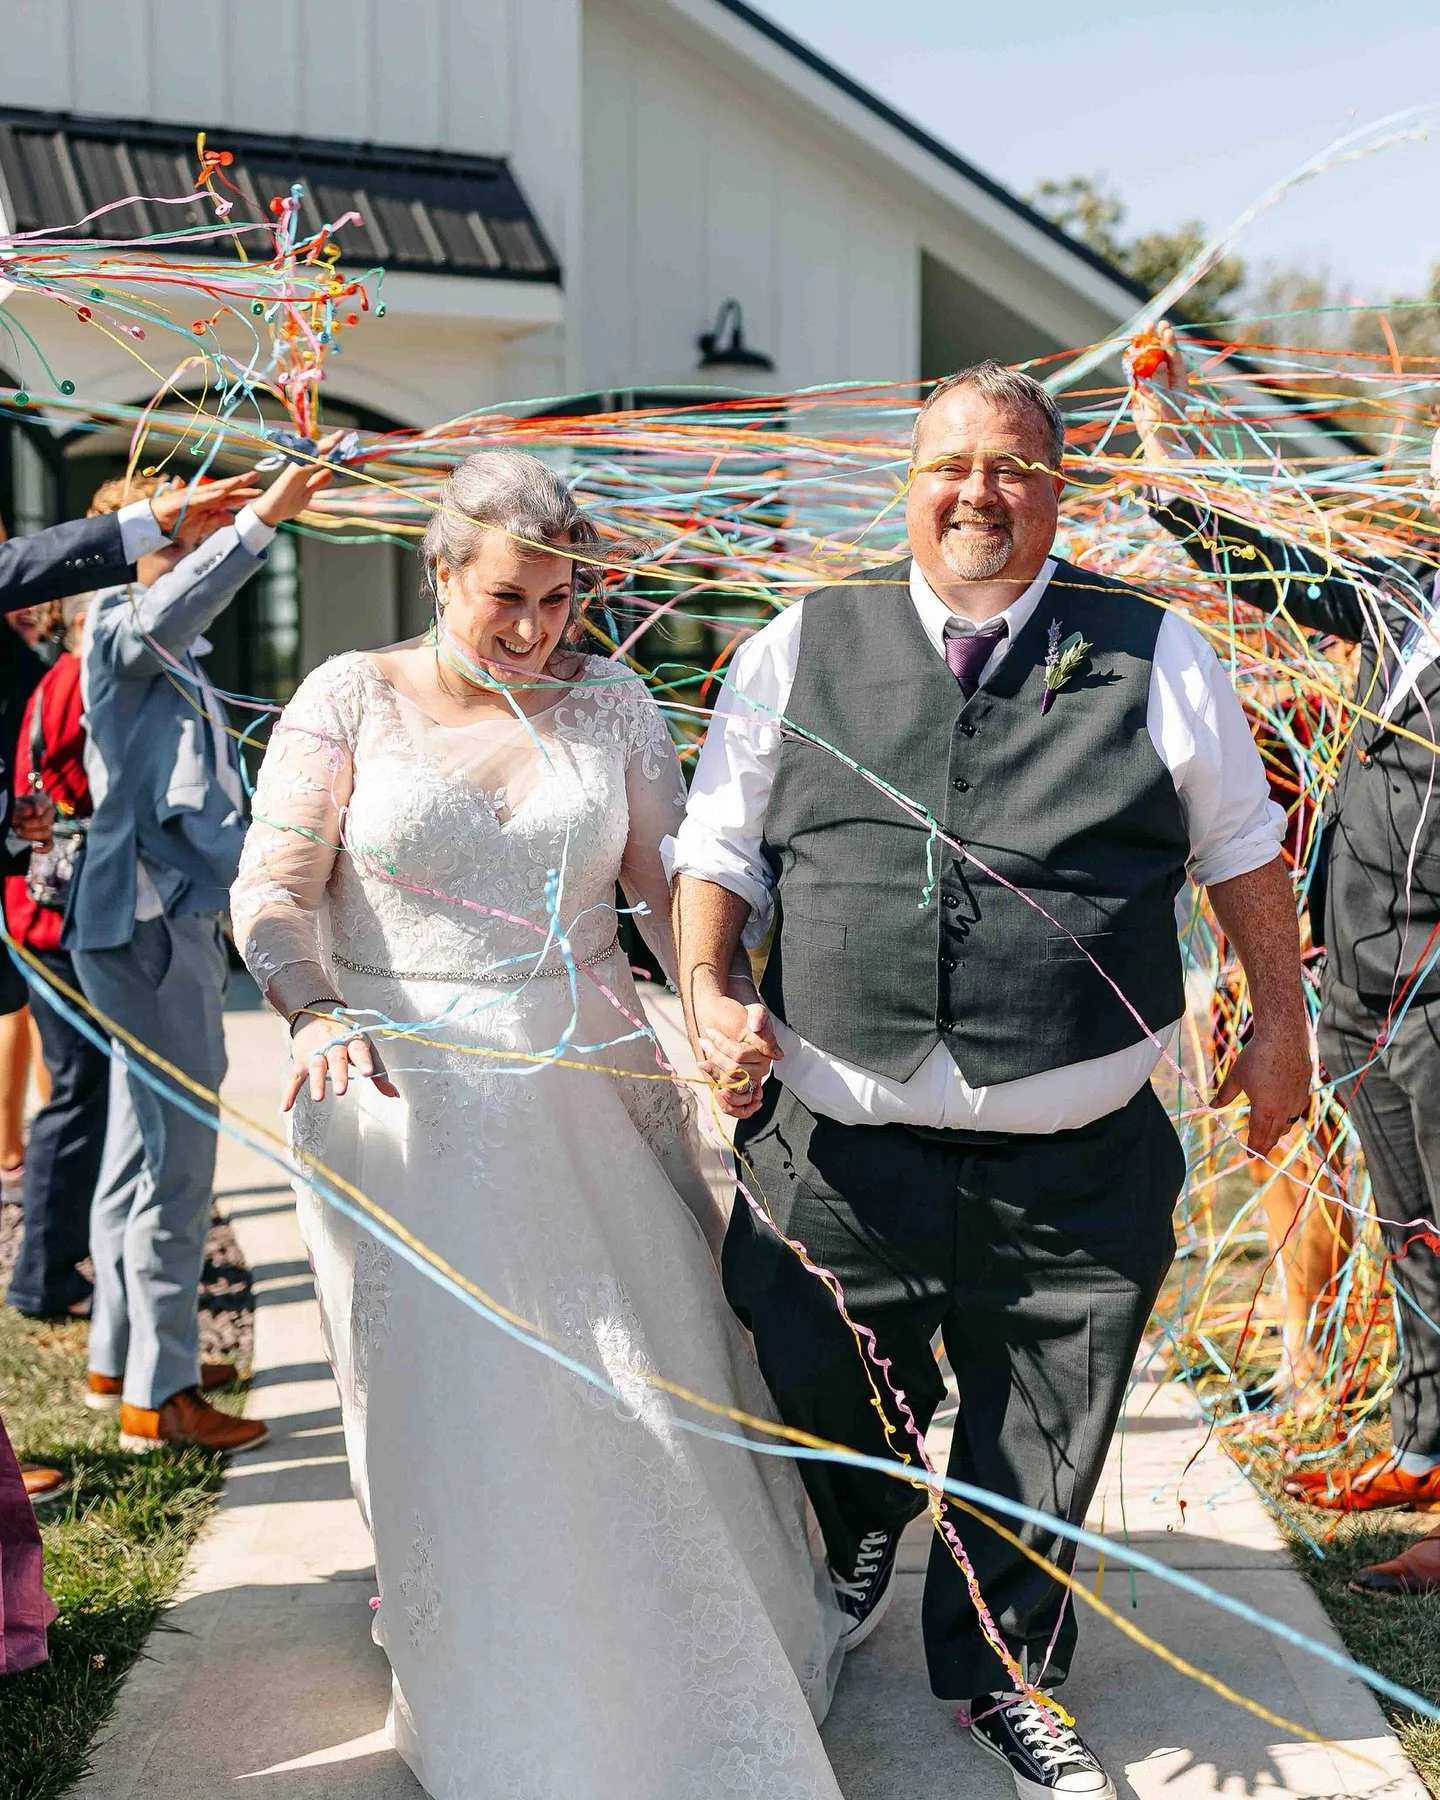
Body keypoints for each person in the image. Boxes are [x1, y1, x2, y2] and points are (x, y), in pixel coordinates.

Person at [671, 361, 1309, 1800]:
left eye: (1014, 467)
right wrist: (711, 987)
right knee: (810, 1364)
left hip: (1076, 1158)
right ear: (908, 484)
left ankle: (1005, 1672)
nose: (979, 492)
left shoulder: (1156, 651)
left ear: (1056, 489)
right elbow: (721, 847)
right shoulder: (796, 646)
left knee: (1043, 1431)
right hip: (841, 1143)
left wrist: (1282, 1023)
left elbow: (1241, 852)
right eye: (951, 464)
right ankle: (858, 1521)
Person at [231, 450, 845, 1799]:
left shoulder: (615, 703)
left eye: (562, 602)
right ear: (444, 572)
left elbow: (675, 883)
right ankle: (470, 1649)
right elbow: (273, 888)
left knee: (633, 1376)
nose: (538, 629)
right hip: (398, 1102)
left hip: (591, 1083)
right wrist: (314, 1008)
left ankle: (676, 1653)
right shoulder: (349, 698)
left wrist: (715, 1004)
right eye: (510, 596)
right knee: (454, 1402)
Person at [1132, 322, 1440, 1503]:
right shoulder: (1400, 594)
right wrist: (1165, 438)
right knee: (1412, 1229)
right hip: (1357, 984)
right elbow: (1253, 566)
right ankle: (1423, 1450)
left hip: (1433, 981)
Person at [69, 452, 328, 1454]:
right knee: (180, 1162)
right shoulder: (125, 630)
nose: (185, 552)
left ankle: (124, 1361)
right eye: (170, 537)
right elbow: (174, 607)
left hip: (142, 925)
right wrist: (262, 519)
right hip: (147, 928)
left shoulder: (161, 653)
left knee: (139, 1154)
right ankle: (162, 1397)